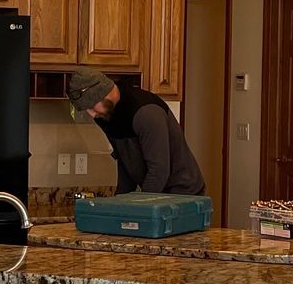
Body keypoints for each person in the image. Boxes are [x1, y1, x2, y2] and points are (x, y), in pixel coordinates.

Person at [65, 68, 206, 197]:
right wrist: (120, 203)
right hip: (157, 193)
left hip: (184, 194)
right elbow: (125, 163)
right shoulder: (104, 115)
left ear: (102, 93)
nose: (91, 114)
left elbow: (159, 170)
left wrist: (140, 207)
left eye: (91, 106)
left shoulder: (146, 112)